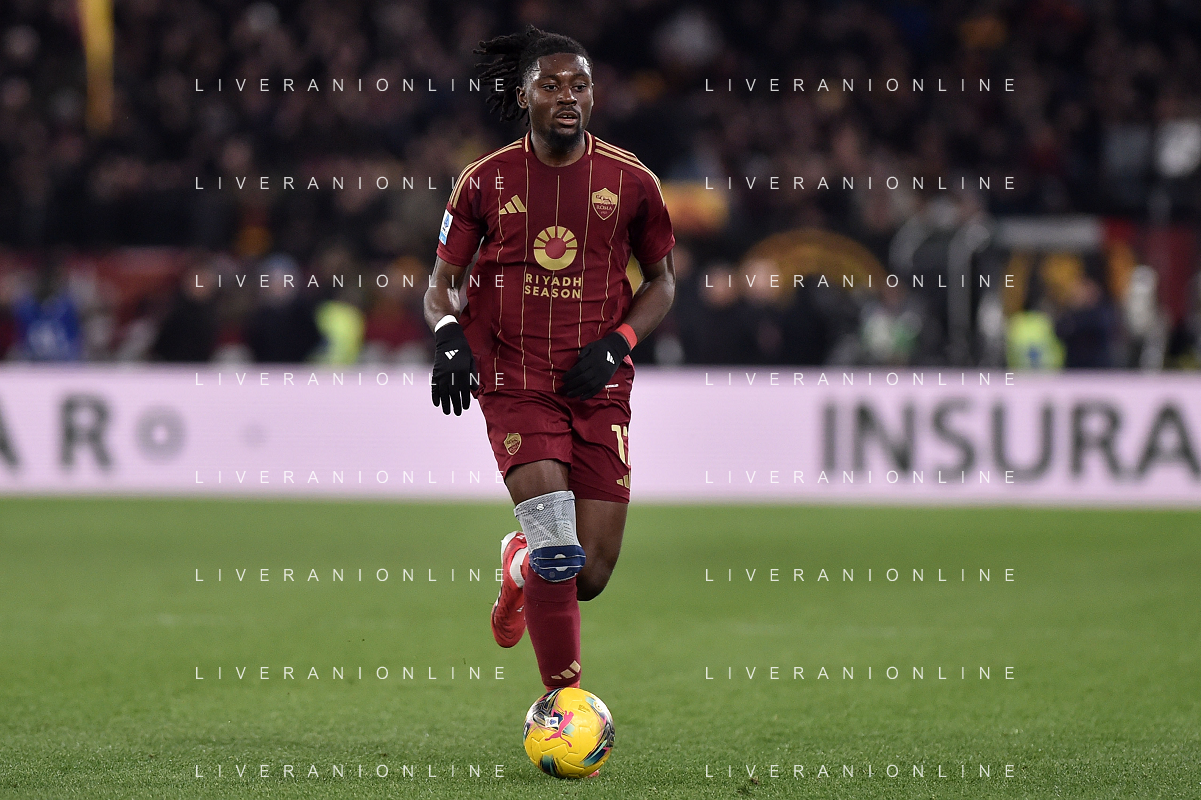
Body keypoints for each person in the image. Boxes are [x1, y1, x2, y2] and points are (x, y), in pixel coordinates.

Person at [423, 26, 676, 700]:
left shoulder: (631, 181)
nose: (568, 96)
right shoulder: (484, 180)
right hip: (514, 379)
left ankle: (518, 567)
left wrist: (618, 343)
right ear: (523, 96)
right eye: (552, 85)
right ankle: (562, 707)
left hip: (598, 383)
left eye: (580, 85)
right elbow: (441, 283)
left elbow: (662, 283)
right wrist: (448, 335)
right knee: (559, 550)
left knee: (588, 574)